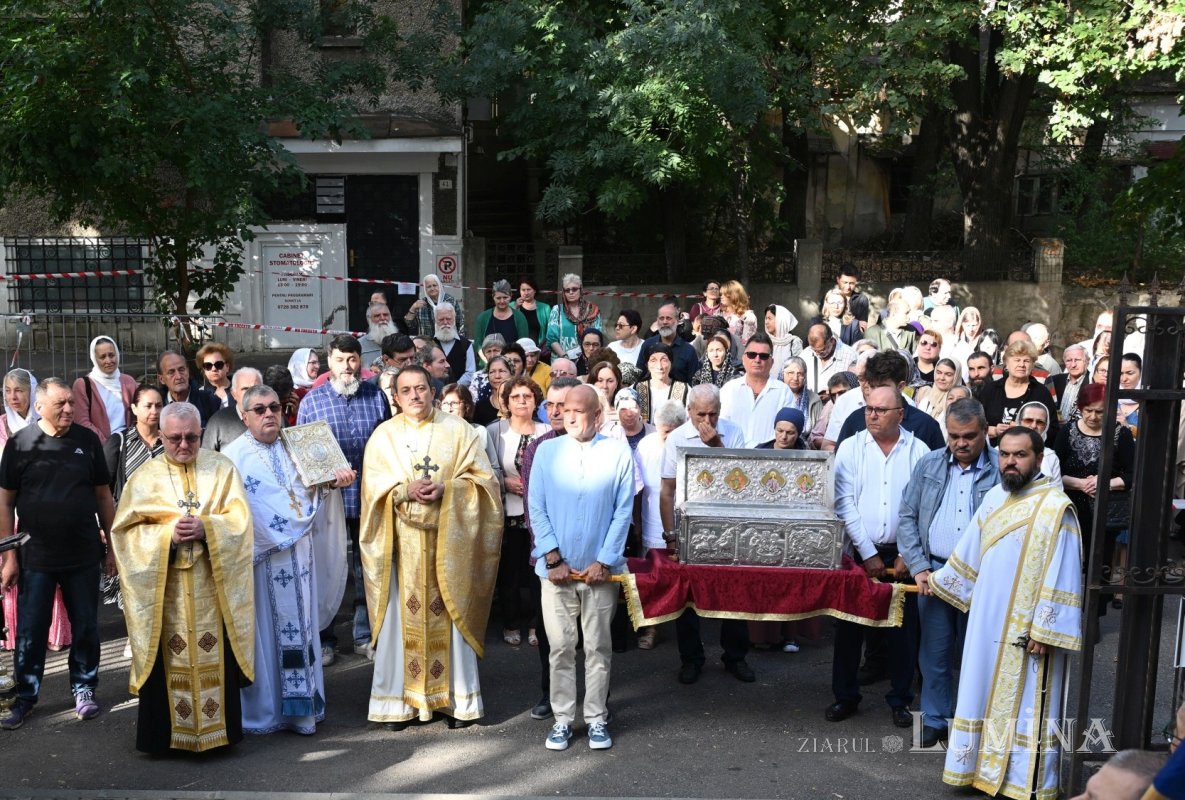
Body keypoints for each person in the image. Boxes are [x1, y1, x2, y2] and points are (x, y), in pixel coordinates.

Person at [928, 426, 1083, 799]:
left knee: (1029, 706)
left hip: (1028, 630)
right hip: (986, 620)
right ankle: (978, 770)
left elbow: (1065, 571)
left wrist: (1045, 631)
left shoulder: (1055, 507)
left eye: (1020, 455)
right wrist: (936, 580)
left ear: (1039, 459)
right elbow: (970, 551)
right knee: (979, 688)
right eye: (1005, 454)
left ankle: (1023, 781)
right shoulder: (995, 497)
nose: (1010, 462)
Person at [360, 365, 502, 730]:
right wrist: (403, 490)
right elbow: (371, 491)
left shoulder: (458, 431)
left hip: (447, 543)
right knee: (398, 623)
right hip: (401, 549)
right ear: (396, 396)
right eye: (405, 391)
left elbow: (485, 483)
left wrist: (449, 489)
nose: (414, 396)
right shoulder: (383, 436)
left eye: (420, 388)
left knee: (450, 619)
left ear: (432, 391)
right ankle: (399, 704)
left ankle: (455, 702)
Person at [107, 401, 254, 752]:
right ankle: (164, 739)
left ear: (202, 434)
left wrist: (209, 528)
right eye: (175, 439)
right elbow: (124, 535)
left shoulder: (222, 469)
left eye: (192, 437)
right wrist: (165, 537)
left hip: (210, 588)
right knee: (165, 662)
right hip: (165, 594)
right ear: (161, 436)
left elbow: (242, 524)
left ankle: (220, 736)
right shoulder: (144, 478)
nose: (184, 445)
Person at [225, 385, 353, 736]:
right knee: (264, 636)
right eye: (259, 410)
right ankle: (266, 711)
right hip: (261, 561)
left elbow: (316, 495)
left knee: (303, 631)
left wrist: (334, 482)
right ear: (244, 415)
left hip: (301, 559)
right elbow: (235, 513)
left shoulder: (302, 445)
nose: (269, 414)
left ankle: (302, 710)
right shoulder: (232, 457)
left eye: (274, 407)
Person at [0, 377, 115, 730]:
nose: (68, 409)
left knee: (85, 626)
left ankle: (84, 688)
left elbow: (102, 496)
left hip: (82, 553)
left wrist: (111, 546)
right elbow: (4, 502)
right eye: (60, 404)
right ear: (40, 407)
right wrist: (8, 556)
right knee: (31, 631)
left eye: (71, 403)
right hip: (36, 556)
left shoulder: (87, 440)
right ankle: (26, 697)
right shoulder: (20, 444)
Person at [528, 384, 634, 751]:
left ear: (597, 415)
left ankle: (596, 718)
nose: (568, 416)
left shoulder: (618, 452)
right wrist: (552, 558)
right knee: (559, 647)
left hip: (600, 572)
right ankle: (561, 720)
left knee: (598, 647)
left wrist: (604, 561)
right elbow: (535, 507)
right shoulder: (546, 451)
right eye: (563, 409)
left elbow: (624, 511)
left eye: (578, 410)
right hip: (555, 572)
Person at [897, 398, 1000, 748]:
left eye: (969, 436)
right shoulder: (929, 464)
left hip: (983, 576)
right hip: (936, 573)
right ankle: (935, 718)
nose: (961, 443)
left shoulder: (1002, 470)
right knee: (935, 651)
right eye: (954, 435)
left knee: (978, 652)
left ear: (985, 432)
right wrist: (919, 567)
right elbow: (907, 517)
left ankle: (973, 722)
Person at [828, 386, 928, 727]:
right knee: (849, 628)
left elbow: (923, 508)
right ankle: (845, 696)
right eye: (869, 408)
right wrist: (867, 552)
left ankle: (900, 699)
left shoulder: (920, 451)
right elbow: (843, 502)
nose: (872, 414)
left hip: (904, 555)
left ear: (900, 414)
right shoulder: (851, 448)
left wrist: (905, 552)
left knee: (903, 631)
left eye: (881, 410)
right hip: (859, 551)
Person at [296, 334, 390, 664]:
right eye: (339, 359)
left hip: (368, 498)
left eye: (352, 359)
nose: (347, 366)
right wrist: (327, 476)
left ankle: (365, 635)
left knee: (366, 570)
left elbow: (387, 446)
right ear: (329, 362)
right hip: (329, 503)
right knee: (327, 568)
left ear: (360, 361)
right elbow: (302, 458)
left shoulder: (376, 397)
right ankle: (326, 639)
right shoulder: (312, 402)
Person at [659, 384, 753, 685]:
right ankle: (691, 658)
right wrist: (670, 536)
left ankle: (735, 656)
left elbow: (744, 480)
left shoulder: (733, 432)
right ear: (689, 412)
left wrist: (716, 446)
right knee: (688, 594)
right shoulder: (676, 438)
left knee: (735, 590)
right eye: (701, 414)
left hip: (730, 522)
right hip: (690, 525)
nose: (708, 421)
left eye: (713, 414)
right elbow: (666, 490)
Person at [0, 369, 71, 654]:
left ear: (32, 393)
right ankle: (13, 634)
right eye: (7, 390)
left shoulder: (46, 424)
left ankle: (53, 632)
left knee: (47, 571)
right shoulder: (1, 425)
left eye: (19, 390)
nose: (13, 396)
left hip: (40, 507)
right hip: (7, 506)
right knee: (10, 568)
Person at [487, 377, 548, 647]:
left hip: (539, 515)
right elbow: (484, 470)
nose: (522, 401)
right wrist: (504, 482)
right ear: (507, 403)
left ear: (536, 400)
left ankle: (537, 624)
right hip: (507, 513)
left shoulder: (547, 430)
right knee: (509, 573)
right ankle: (511, 623)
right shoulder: (494, 432)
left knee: (539, 573)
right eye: (516, 397)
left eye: (528, 396)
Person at [1053, 382, 1133, 574]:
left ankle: (1098, 604)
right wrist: (1081, 484)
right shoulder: (1067, 431)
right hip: (1070, 508)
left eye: (1100, 411)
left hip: (1106, 510)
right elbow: (1053, 471)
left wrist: (1103, 483)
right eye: (1088, 410)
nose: (1093, 417)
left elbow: (1132, 474)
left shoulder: (1120, 433)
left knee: (1100, 567)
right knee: (1067, 566)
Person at [978, 339, 1060, 444]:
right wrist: (993, 430)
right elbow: (975, 424)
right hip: (992, 452)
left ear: (1033, 365)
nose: (1022, 365)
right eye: (1017, 360)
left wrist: (1024, 431)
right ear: (1006, 363)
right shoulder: (990, 390)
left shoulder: (1041, 393)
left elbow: (1053, 429)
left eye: (1026, 361)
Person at [719, 333, 792, 448]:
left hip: (770, 459)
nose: (757, 360)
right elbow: (720, 426)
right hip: (732, 457)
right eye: (752, 355)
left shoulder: (783, 392)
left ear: (772, 362)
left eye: (763, 356)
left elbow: (789, 430)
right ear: (743, 359)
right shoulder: (729, 389)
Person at [73, 335, 137, 443]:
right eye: (102, 357)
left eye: (111, 355)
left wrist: (130, 442)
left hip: (129, 444)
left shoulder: (129, 382)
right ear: (94, 359)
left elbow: (138, 415)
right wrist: (108, 446)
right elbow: (82, 422)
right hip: (101, 447)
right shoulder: (83, 385)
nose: (108, 360)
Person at [639, 300, 700, 384]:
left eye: (669, 318)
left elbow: (693, 382)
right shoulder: (648, 345)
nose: (664, 322)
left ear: (677, 320)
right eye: (661, 318)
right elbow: (639, 375)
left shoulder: (688, 350)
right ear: (657, 320)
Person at [201, 367, 261, 452]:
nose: (251, 393)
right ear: (234, 394)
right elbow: (207, 458)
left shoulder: (274, 415)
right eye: (245, 389)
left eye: (256, 388)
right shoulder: (218, 422)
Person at [156, 350, 220, 428]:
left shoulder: (209, 401)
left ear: (188, 371)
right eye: (171, 372)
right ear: (161, 379)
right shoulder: (157, 407)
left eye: (181, 369)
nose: (178, 376)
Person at [547, 274, 602, 359]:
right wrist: (564, 356)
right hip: (562, 361)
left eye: (574, 289)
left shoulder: (592, 310)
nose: (571, 292)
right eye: (567, 290)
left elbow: (598, 336)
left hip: (588, 359)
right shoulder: (557, 310)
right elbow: (551, 338)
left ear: (581, 290)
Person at [636, 345, 689, 424]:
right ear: (647, 365)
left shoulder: (684, 389)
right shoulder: (637, 389)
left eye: (664, 360)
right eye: (653, 360)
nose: (659, 366)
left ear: (671, 363)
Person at [1016, 401, 1064, 486]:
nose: (1034, 426)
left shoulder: (1050, 457)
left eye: (1040, 422)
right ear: (1019, 422)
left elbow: (1057, 494)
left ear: (1046, 426)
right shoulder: (1000, 452)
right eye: (1028, 420)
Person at [475, 279, 530, 351]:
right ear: (493, 297)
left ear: (511, 296)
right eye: (498, 298)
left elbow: (524, 345)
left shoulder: (520, 318)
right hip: (488, 361)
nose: (502, 301)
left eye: (505, 297)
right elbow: (478, 345)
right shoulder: (482, 318)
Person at [406, 273, 466, 338]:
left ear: (439, 286)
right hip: (428, 344)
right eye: (429, 286)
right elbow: (409, 325)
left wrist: (460, 343)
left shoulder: (450, 301)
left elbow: (460, 323)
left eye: (434, 285)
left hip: (448, 342)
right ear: (425, 289)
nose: (432, 289)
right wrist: (413, 308)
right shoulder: (421, 304)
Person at [803, 322, 857, 394]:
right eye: (814, 350)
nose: (817, 354)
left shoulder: (850, 356)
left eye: (821, 351)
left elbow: (855, 387)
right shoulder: (806, 353)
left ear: (831, 341)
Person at [914, 357, 962, 435]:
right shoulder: (926, 396)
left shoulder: (959, 401)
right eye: (939, 372)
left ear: (956, 377)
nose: (942, 378)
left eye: (948, 374)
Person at [433, 302, 476, 387]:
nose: (445, 322)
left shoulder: (466, 345)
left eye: (448, 319)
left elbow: (470, 373)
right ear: (435, 320)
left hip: (459, 393)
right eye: (441, 319)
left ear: (454, 319)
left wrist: (454, 387)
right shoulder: (430, 344)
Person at [781, 356, 822, 433]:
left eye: (800, 374)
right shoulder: (774, 396)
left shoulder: (815, 400)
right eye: (791, 373)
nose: (795, 378)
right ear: (782, 374)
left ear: (805, 376)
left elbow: (819, 432)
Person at [1049, 343, 1088, 422]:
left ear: (1087, 361)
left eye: (1077, 360)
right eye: (1069, 360)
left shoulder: (1092, 382)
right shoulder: (1055, 381)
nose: (1073, 365)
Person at [511, 276, 551, 353]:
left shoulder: (545, 308)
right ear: (519, 291)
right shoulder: (511, 306)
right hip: (517, 351)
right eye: (523, 290)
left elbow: (549, 332)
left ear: (534, 291)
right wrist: (515, 307)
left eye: (529, 289)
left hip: (538, 351)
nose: (526, 293)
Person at [473, 356, 513, 427]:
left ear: (512, 374)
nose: (497, 376)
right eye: (492, 372)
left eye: (502, 371)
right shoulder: (480, 408)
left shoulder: (521, 404)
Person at [765, 304, 802, 379]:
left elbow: (798, 368)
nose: (766, 322)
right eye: (765, 318)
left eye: (769, 318)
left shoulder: (794, 342)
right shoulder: (766, 341)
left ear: (781, 320)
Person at [196, 342, 236, 409]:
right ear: (203, 370)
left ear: (227, 367)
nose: (214, 369)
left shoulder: (241, 389)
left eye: (218, 364)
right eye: (208, 365)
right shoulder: (199, 395)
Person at [719, 280, 758, 346]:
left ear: (734, 295)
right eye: (721, 294)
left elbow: (747, 343)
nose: (721, 297)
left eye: (725, 294)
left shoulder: (747, 316)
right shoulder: (719, 314)